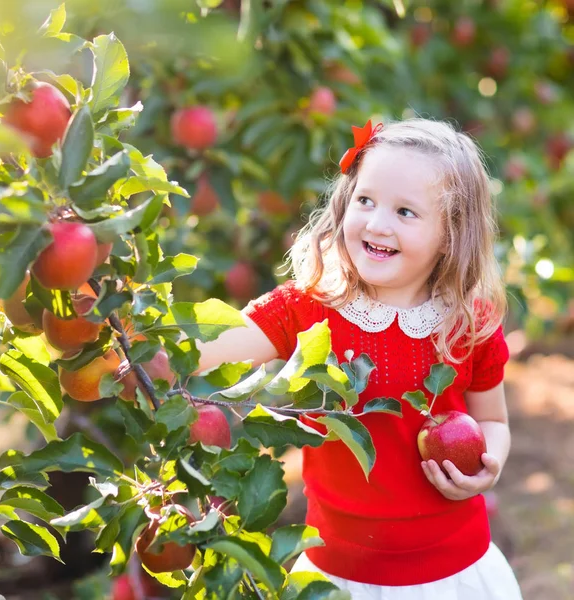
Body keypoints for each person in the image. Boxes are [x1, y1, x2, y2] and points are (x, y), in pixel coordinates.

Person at [196, 118, 523, 599]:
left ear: (451, 235)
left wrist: (488, 461)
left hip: (452, 572)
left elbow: (492, 418)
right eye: (365, 200)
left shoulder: (467, 322)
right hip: (338, 575)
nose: (376, 222)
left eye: (405, 212)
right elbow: (207, 345)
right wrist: (125, 323)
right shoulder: (308, 308)